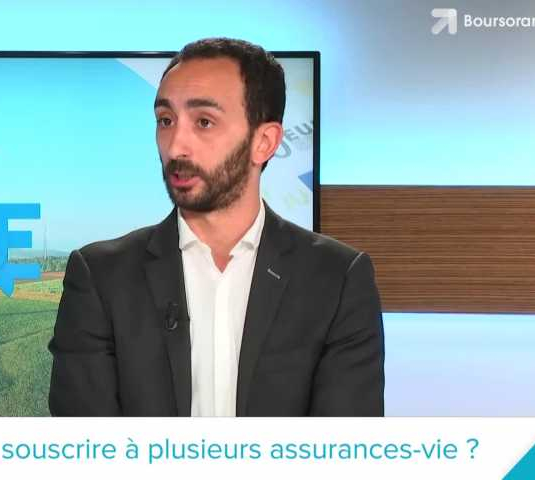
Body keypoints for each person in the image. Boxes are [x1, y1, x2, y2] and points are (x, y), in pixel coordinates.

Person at [48, 38, 384, 416]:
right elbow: (85, 443)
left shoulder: (337, 279)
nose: (176, 146)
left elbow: (343, 443)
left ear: (264, 142)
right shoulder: (101, 277)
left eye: (204, 122)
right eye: (166, 121)